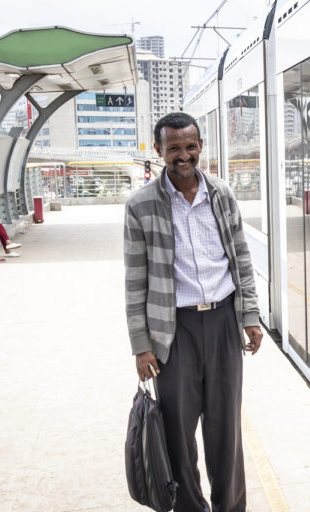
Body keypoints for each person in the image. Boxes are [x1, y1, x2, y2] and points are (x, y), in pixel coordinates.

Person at [124, 112, 263, 512]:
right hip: (174, 331)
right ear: (159, 150)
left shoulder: (221, 194)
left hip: (222, 321)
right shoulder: (140, 205)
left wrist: (249, 316)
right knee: (178, 436)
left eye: (189, 146)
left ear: (200, 146)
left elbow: (241, 259)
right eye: (173, 148)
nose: (182, 156)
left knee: (226, 432)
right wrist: (141, 345)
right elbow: (135, 281)